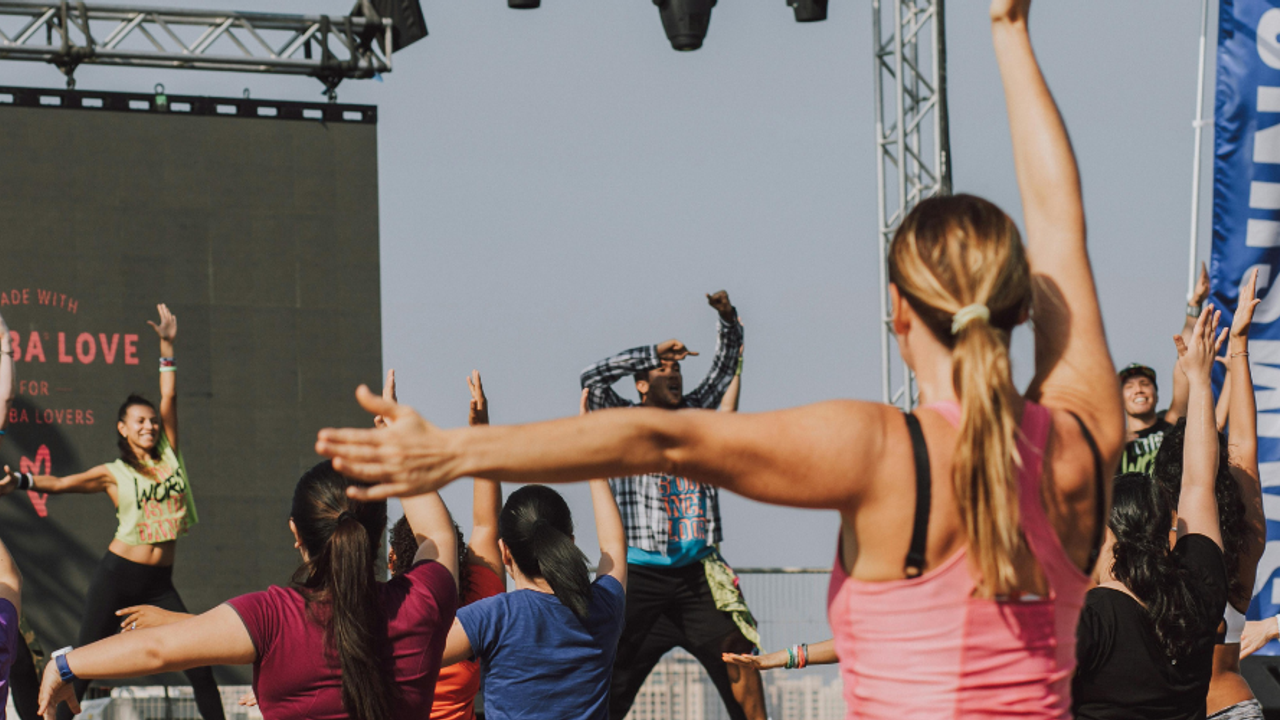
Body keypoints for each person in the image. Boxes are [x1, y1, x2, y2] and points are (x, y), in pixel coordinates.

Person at [314, 3, 1123, 717]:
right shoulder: (1081, 447)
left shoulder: (883, 453)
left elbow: (661, 442)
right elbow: (1063, 227)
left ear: (897, 313)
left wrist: (456, 451)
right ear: (1020, 303)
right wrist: (1013, 35)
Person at [38, 459, 459, 720]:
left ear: (297, 534)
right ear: (380, 530)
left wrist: (66, 664)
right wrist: (397, 449)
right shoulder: (423, 603)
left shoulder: (272, 617)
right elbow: (437, 534)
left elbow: (158, 648)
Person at [0, 305, 227, 720]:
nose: (149, 426)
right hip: (118, 575)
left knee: (199, 660)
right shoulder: (113, 472)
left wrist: (167, 346)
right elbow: (63, 483)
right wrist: (22, 482)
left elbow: (170, 395)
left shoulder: (170, 457)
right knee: (84, 665)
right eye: (139, 421)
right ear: (123, 428)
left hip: (160, 583)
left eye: (153, 421)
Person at [579, 291, 764, 720]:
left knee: (740, 656)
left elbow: (725, 365)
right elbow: (592, 379)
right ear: (641, 384)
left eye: (677, 367)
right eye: (662, 369)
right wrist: (652, 351)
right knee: (611, 677)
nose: (673, 373)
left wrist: (726, 318)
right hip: (640, 578)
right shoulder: (625, 420)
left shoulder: (697, 414)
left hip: (697, 577)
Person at [1072, 308, 1229, 720]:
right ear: (1166, 528)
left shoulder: (1087, 620)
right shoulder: (1198, 593)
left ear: (1106, 532)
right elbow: (1198, 482)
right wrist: (1200, 380)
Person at [440, 404, 627, 720]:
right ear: (569, 543)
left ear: (505, 552)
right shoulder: (604, 608)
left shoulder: (495, 617)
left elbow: (409, 656)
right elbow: (614, 546)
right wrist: (595, 452)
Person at [1151, 271, 1265, 720]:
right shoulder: (1245, 542)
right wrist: (1238, 347)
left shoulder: (1157, 548)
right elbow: (1245, 449)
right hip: (1233, 704)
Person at [1118, 264, 1211, 475]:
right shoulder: (1111, 444)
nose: (1139, 390)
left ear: (1157, 395)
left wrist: (1194, 306)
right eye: (1129, 386)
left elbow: (1183, 367)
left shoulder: (1169, 428)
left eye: (1145, 384)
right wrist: (1109, 444)